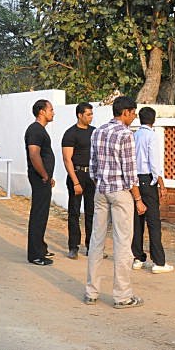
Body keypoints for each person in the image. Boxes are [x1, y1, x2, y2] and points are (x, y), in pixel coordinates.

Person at [85, 96, 147, 308]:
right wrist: (138, 199)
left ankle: (91, 292)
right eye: (133, 112)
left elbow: (92, 167)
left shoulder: (98, 131)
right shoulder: (125, 134)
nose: (134, 116)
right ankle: (122, 296)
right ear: (126, 112)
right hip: (120, 192)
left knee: (96, 241)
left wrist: (100, 183)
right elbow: (130, 173)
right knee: (122, 244)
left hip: (101, 191)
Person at [133, 106, 172, 273]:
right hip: (148, 180)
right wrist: (161, 184)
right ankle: (159, 262)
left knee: (137, 220)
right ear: (153, 120)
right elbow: (154, 163)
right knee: (153, 221)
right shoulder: (151, 136)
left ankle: (138, 257)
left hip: (134, 181)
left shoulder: (133, 135)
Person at [62, 102, 95, 259]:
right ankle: (73, 246)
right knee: (74, 212)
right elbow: (67, 159)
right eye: (88, 114)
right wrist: (75, 181)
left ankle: (91, 246)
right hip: (77, 174)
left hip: (92, 177)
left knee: (92, 212)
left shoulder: (94, 132)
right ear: (79, 115)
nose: (90, 117)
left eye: (91, 114)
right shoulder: (70, 133)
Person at [25, 99, 56, 266]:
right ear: (42, 112)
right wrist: (44, 175)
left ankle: (41, 247)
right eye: (50, 109)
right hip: (39, 178)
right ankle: (35, 254)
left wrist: (48, 176)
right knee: (38, 214)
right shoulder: (35, 130)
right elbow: (34, 154)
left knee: (43, 214)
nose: (53, 112)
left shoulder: (40, 130)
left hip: (43, 177)